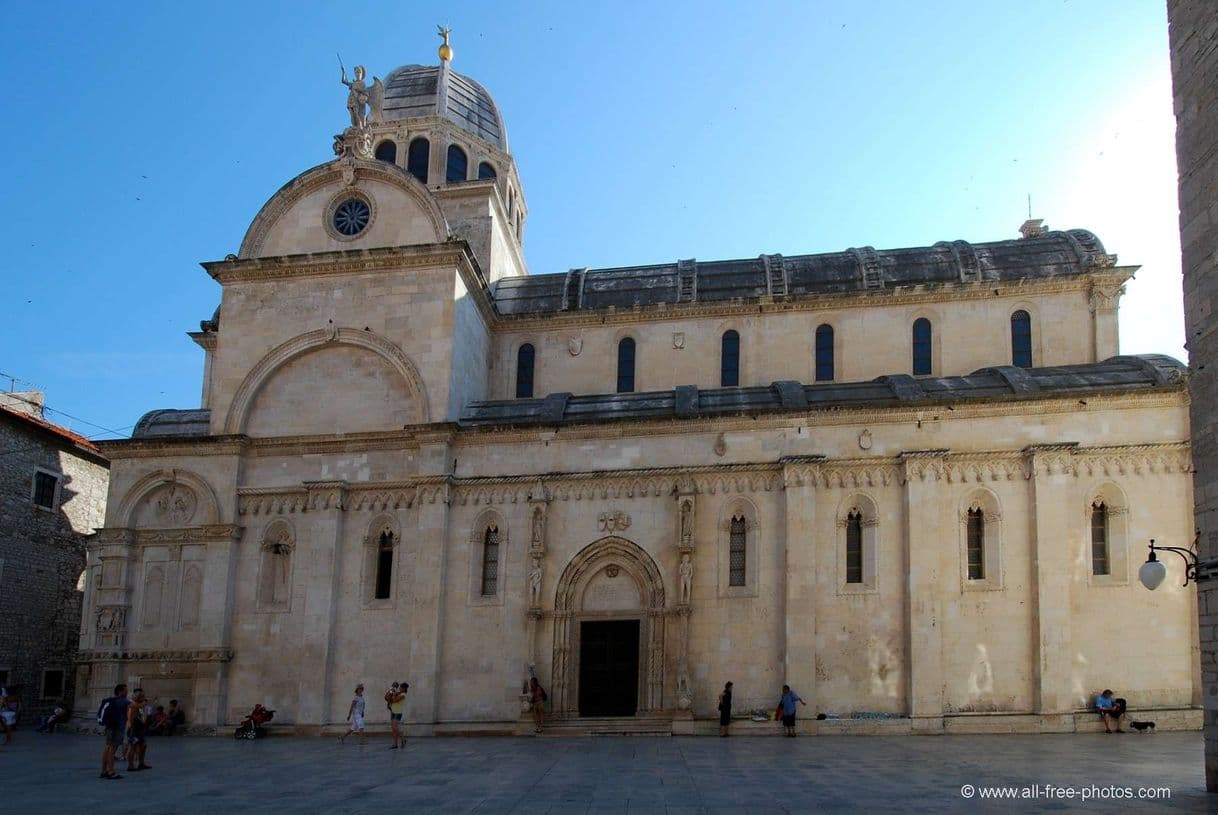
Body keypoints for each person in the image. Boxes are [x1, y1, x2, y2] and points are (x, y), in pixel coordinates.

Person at [98, 683, 131, 780]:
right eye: (125, 690)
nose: (127, 692)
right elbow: (135, 705)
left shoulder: (112, 700)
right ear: (120, 691)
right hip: (116, 727)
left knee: (108, 747)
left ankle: (104, 770)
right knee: (113, 750)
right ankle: (111, 771)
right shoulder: (122, 701)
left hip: (110, 726)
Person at [126, 688, 151, 771]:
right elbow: (130, 719)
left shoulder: (141, 707)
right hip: (134, 729)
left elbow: (144, 718)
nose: (144, 699)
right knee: (132, 747)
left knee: (143, 746)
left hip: (140, 728)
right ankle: (130, 765)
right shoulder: (133, 706)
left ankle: (141, 763)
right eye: (143, 697)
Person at [386, 681, 408, 749]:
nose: (399, 688)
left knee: (395, 727)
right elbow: (389, 698)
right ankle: (395, 744)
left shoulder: (403, 695)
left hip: (398, 712)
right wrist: (391, 693)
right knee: (393, 729)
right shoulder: (399, 693)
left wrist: (393, 695)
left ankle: (403, 739)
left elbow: (395, 700)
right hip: (393, 711)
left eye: (401, 687)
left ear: (404, 688)